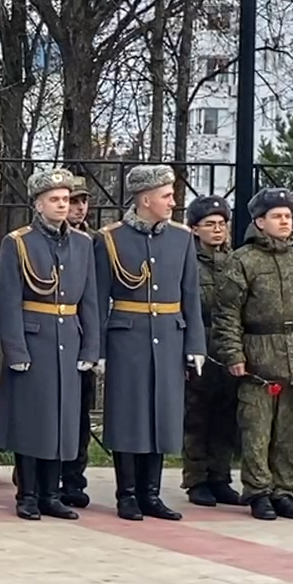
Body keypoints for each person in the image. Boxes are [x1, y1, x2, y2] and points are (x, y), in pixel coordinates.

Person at [0, 167, 100, 521]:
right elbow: (7, 301)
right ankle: (28, 494)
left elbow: (91, 301)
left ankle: (52, 494)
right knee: (32, 420)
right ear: (37, 204)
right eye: (54, 199)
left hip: (68, 336)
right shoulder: (18, 242)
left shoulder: (83, 243)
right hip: (34, 339)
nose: (62, 205)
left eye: (66, 199)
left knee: (63, 421)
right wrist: (15, 349)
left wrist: (90, 348)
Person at [95, 165, 202, 522]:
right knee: (129, 416)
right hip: (128, 337)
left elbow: (191, 296)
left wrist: (194, 345)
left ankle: (151, 494)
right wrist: (97, 350)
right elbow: (96, 298)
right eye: (166, 195)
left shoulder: (182, 237)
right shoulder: (110, 238)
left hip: (169, 336)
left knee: (160, 416)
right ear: (145, 199)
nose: (173, 202)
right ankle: (126, 494)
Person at [214, 187, 293, 520]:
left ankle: (286, 490)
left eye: (288, 216)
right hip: (259, 357)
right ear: (259, 222)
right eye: (276, 216)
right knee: (257, 430)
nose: (284, 222)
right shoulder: (243, 261)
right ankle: (259, 491)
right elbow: (229, 313)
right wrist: (234, 354)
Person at [181, 194, 242, 507]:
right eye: (209, 224)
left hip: (229, 345)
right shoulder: (186, 262)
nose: (218, 230)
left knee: (226, 415)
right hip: (200, 342)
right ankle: (197, 479)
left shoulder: (235, 261)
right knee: (197, 415)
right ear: (194, 229)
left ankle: (221, 476)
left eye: (222, 224)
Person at [59, 174, 98, 508]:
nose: (79, 207)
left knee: (80, 414)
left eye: (83, 201)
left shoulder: (94, 242)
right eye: (73, 200)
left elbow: (96, 298)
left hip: (82, 336)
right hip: (53, 335)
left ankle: (74, 477)